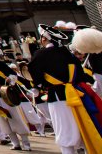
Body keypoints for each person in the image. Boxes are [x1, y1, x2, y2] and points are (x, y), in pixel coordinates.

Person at [29, 24, 102, 154]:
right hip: (77, 94)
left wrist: (37, 87)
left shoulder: (40, 54)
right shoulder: (68, 54)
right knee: (84, 127)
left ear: (44, 38)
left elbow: (35, 73)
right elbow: (79, 75)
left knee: (64, 131)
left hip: (57, 97)